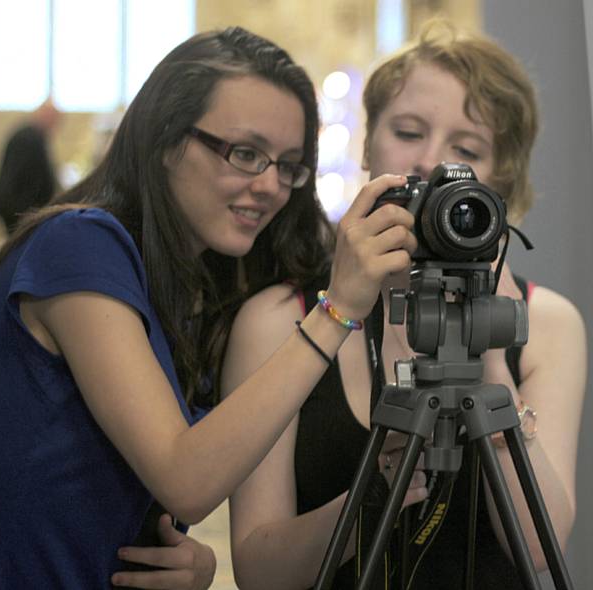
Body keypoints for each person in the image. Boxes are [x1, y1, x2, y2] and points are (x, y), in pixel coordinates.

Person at [0, 27, 417, 590]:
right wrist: (338, 308)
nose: (271, 185)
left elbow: (147, 496)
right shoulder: (77, 245)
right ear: (167, 138)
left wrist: (192, 561)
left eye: (288, 164)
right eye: (245, 154)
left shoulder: (193, 288)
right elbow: (185, 476)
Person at [224, 19, 587, 590]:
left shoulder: (547, 324)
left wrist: (490, 353)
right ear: (368, 146)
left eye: (466, 149)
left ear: (501, 184)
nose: (432, 166)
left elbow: (540, 550)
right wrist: (371, 493)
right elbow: (260, 573)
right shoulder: (280, 318)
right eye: (409, 132)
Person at [0, 98, 62, 233]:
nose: (55, 126)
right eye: (54, 120)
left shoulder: (33, 135)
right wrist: (30, 212)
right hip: (20, 211)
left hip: (22, 210)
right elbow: (26, 179)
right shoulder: (28, 138)